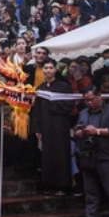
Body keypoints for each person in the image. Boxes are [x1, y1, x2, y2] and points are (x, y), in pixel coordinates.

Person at [76, 85, 109, 217]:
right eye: (86, 100)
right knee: (91, 192)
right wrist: (80, 132)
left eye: (91, 99)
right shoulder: (83, 113)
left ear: (99, 96)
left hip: (106, 156)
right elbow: (76, 129)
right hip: (87, 156)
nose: (89, 103)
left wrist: (96, 131)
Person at [31, 59, 75, 195]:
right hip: (46, 127)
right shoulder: (41, 88)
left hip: (60, 126)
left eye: (51, 68)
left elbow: (69, 105)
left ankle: (62, 186)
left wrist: (52, 105)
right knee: (47, 156)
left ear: (55, 70)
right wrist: (37, 128)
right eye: (46, 68)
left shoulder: (64, 86)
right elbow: (36, 111)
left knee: (61, 154)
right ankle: (49, 185)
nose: (48, 70)